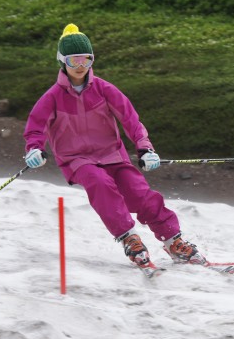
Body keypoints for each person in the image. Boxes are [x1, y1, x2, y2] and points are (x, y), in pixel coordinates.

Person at [23, 23, 204, 274]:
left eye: (87, 60)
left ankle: (174, 242)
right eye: (75, 61)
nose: (81, 67)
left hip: (112, 155)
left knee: (140, 193)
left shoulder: (104, 89)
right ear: (62, 61)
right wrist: (34, 149)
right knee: (99, 183)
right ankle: (129, 238)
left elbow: (131, 120)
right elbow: (36, 127)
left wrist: (145, 149)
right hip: (77, 160)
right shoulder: (53, 97)